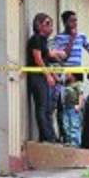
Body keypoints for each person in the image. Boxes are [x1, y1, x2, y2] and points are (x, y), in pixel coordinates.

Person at [27, 13, 65, 142]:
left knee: (48, 108)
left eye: (51, 24)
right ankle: (47, 137)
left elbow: (46, 59)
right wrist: (48, 75)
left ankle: (49, 136)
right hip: (36, 77)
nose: (51, 27)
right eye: (48, 24)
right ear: (39, 25)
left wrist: (54, 75)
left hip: (42, 76)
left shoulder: (43, 41)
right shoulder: (36, 39)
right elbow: (38, 59)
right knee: (42, 107)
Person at [61, 73, 84, 146]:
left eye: (69, 73)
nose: (66, 73)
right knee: (66, 125)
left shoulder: (77, 84)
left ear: (74, 75)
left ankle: (75, 143)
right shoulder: (67, 83)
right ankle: (69, 140)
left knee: (74, 125)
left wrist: (79, 105)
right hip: (66, 107)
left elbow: (81, 95)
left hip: (74, 108)